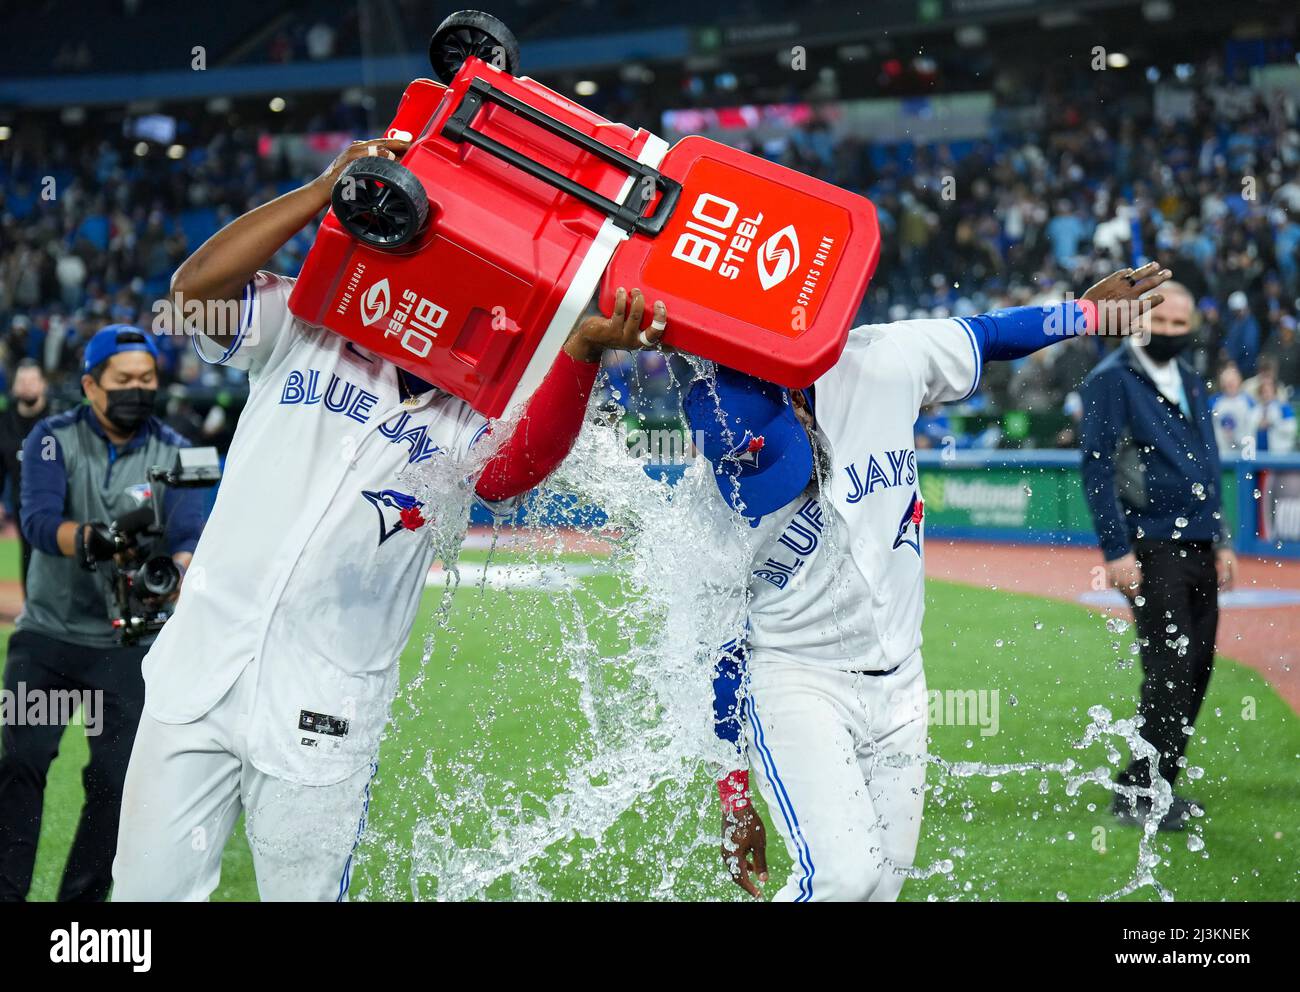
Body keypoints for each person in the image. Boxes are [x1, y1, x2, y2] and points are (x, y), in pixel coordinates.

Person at [110, 137, 667, 902]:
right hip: (198, 672)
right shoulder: (308, 323)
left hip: (323, 707)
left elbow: (509, 477)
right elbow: (191, 292)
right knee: (141, 904)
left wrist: (579, 350)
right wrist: (324, 189)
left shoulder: (476, 403)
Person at [690, 263, 1169, 901]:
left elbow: (991, 334)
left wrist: (1083, 316)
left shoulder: (885, 361)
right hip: (796, 682)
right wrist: (733, 793)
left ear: (797, 402)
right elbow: (717, 643)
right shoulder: (716, 494)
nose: (762, 479)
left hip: (903, 686)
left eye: (772, 458)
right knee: (841, 878)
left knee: (882, 887)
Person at [0, 326, 206, 901]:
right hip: (48, 637)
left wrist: (177, 572)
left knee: (116, 786)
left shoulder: (185, 449)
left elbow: (192, 530)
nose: (138, 389)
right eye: (124, 381)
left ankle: (81, 911)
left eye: (147, 379)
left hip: (128, 647)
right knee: (21, 768)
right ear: (91, 385)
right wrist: (98, 539)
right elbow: (38, 521)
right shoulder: (49, 438)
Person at [1078, 281, 1236, 832]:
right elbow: (1096, 468)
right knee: (1168, 666)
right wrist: (1117, 550)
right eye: (1162, 322)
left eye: (1180, 323)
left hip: (1198, 541)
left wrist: (1222, 537)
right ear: (1140, 320)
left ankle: (1156, 780)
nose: (1172, 332)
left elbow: (1209, 463)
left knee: (1198, 665)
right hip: (1152, 542)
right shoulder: (1111, 380)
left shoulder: (1192, 380)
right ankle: (1141, 790)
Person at [0, 360, 56, 592]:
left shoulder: (57, 419)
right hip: (22, 502)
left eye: (33, 380)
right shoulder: (5, 421)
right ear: (13, 387)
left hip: (57, 505)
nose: (27, 386)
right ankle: (32, 610)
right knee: (27, 558)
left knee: (55, 561)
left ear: (43, 384)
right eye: (22, 381)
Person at [1210, 362, 1255, 455]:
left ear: (1239, 381)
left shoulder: (1248, 402)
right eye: (1228, 382)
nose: (1230, 385)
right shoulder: (1214, 402)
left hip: (1244, 452)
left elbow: (1251, 428)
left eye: (1233, 381)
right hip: (1221, 452)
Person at [1249, 375, 1296, 453]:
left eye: (1269, 391)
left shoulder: (1284, 408)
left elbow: (1291, 429)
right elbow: (1248, 429)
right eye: (1263, 391)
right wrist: (1258, 425)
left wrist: (1272, 424)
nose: (1266, 394)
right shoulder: (1254, 410)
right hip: (1258, 452)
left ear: (1274, 392)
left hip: (1279, 451)